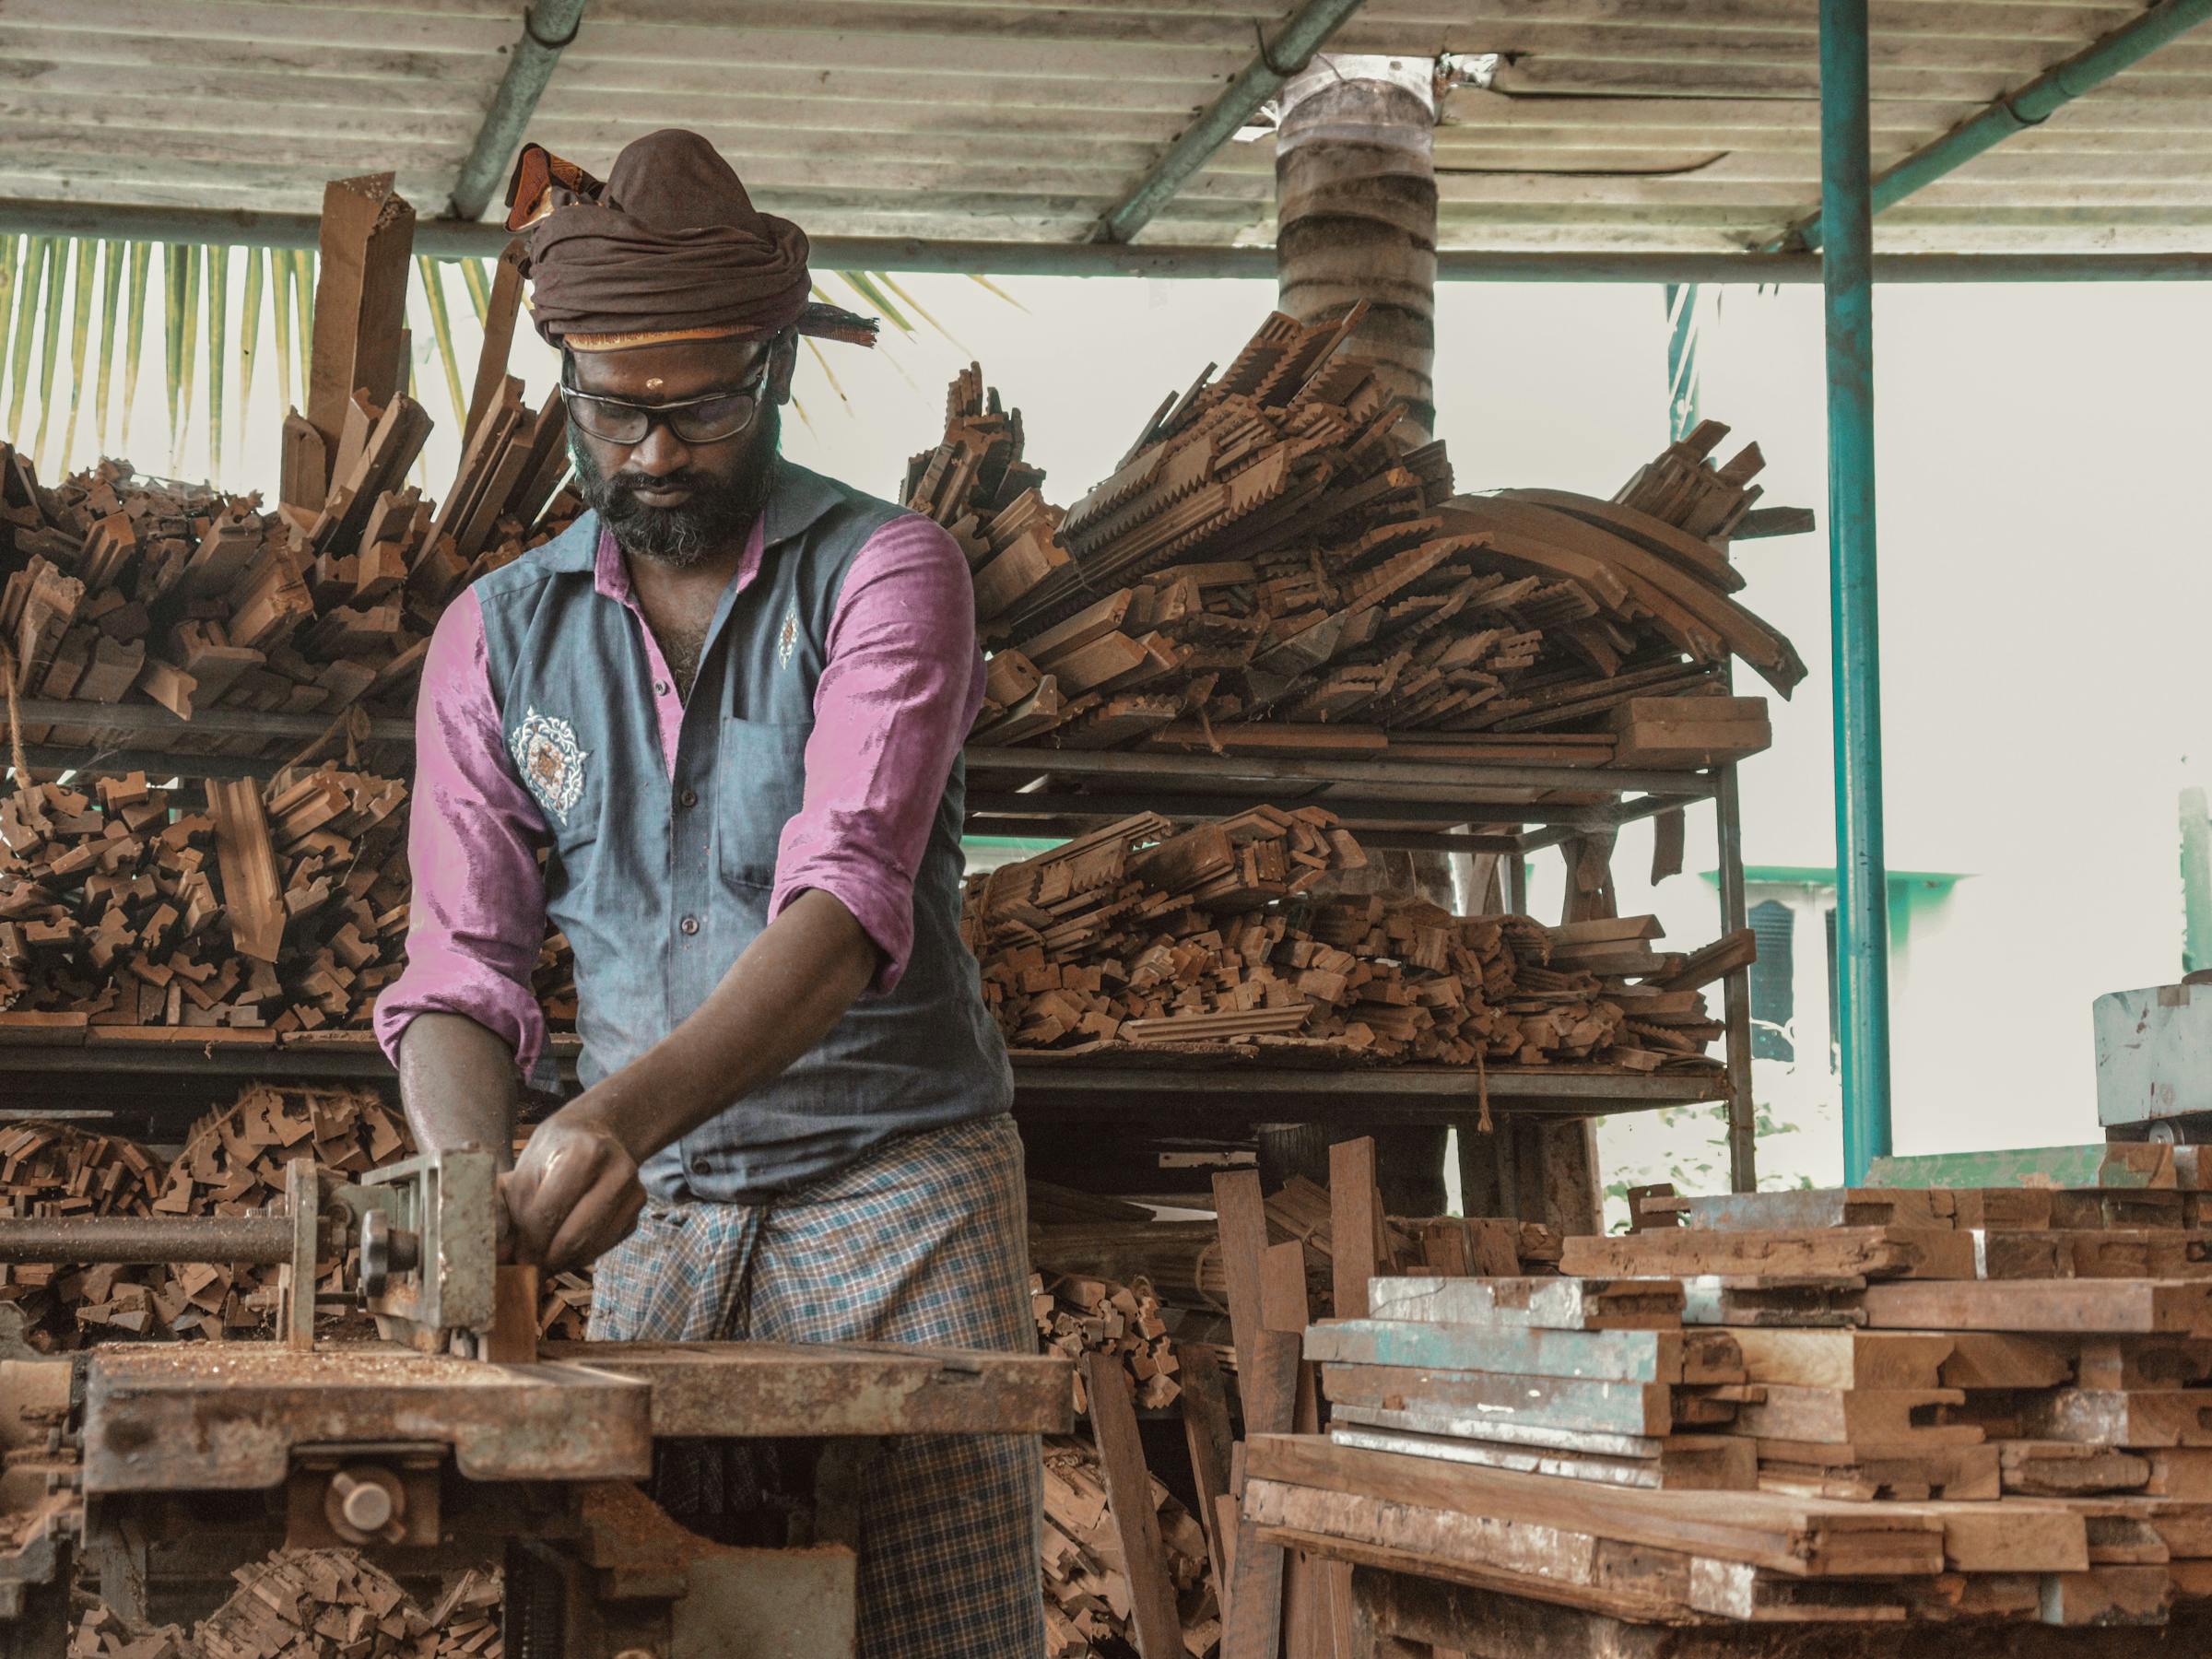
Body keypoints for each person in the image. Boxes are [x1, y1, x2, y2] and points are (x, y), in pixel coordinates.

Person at [373, 129, 1039, 1658]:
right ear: (567, 396)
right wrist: (475, 1200)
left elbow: (843, 908)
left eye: (702, 407)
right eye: (615, 414)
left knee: (939, 1627)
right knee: (667, 1620)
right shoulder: (496, 638)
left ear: (778, 372)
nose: (655, 454)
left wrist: (605, 1120)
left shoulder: (887, 573)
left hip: (902, 1193)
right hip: (656, 1224)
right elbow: (460, 969)